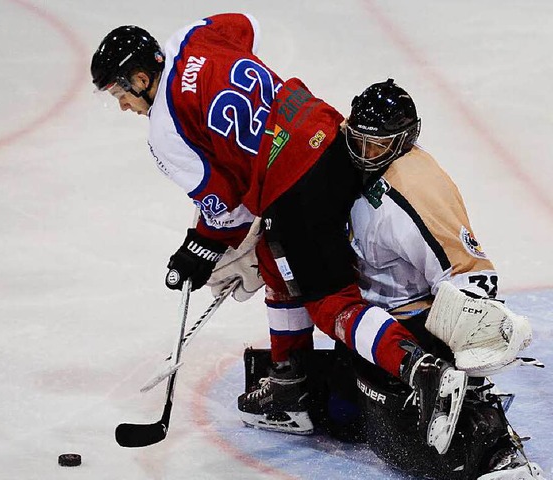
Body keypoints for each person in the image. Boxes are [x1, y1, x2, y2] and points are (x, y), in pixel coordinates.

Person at [90, 14, 466, 453]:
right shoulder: (194, 36)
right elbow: (243, 25)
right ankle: (291, 381)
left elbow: (225, 205)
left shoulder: (165, 131)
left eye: (119, 92)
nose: (121, 105)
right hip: (327, 132)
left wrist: (199, 249)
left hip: (293, 187)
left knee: (330, 303)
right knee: (276, 260)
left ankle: (421, 370)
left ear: (139, 78)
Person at [224, 79, 543, 479]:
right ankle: (296, 379)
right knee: (343, 414)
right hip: (370, 330)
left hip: (413, 326)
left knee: (412, 444)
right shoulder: (342, 163)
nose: (364, 155)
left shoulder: (416, 188)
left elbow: (471, 277)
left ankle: (498, 452)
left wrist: (464, 350)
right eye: (359, 141)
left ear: (406, 139)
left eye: (376, 147)